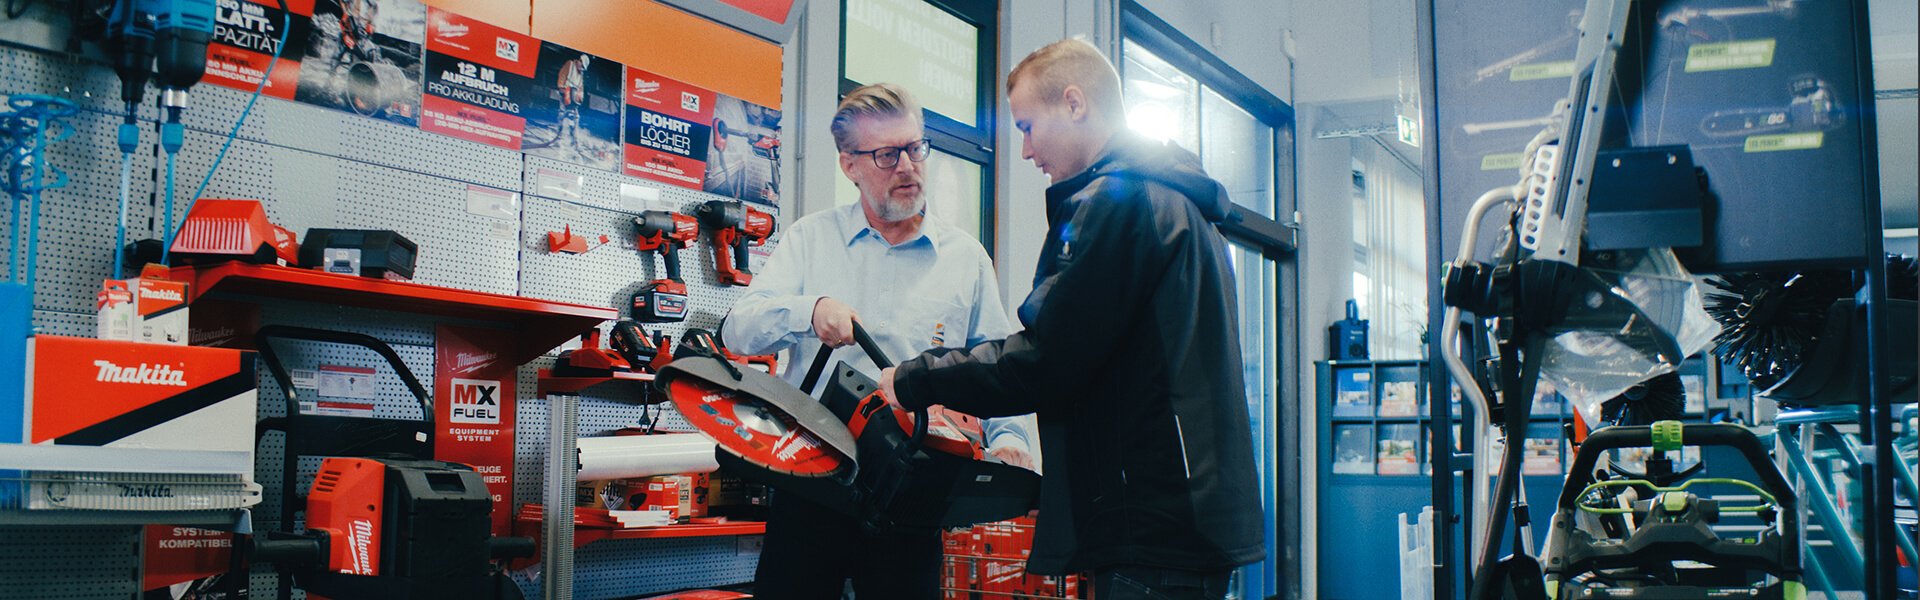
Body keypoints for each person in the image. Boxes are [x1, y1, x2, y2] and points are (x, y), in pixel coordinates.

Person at [878, 39, 1266, 599]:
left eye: (1028, 127)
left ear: (1075, 104)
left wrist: (916, 379)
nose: (1027, 151)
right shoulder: (1179, 201)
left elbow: (1047, 358)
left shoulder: (1120, 202)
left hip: (1151, 521)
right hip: (1185, 514)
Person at [721, 82, 1037, 599]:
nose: (908, 167)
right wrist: (810, 311)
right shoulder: (811, 238)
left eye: (915, 148)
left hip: (913, 494)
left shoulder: (965, 259)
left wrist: (1010, 442)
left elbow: (1001, 370)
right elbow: (739, 327)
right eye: (887, 155)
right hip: (810, 484)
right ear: (850, 166)